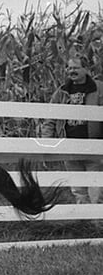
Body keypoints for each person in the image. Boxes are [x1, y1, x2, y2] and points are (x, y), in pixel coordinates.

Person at [41, 55, 103, 204]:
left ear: (86, 69)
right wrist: (46, 142)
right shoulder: (62, 91)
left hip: (93, 147)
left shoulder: (99, 88)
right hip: (69, 147)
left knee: (97, 189)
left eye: (76, 68)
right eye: (69, 68)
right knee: (78, 190)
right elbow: (50, 118)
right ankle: (83, 217)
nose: (71, 71)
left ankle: (97, 218)